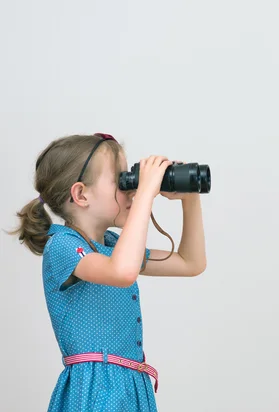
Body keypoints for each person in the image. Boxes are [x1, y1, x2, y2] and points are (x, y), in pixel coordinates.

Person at [8, 133, 207, 411]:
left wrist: (190, 199)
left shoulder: (113, 246)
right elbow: (122, 272)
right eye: (121, 181)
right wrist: (145, 197)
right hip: (94, 389)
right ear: (81, 194)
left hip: (131, 386)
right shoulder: (63, 245)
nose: (133, 189)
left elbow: (190, 262)